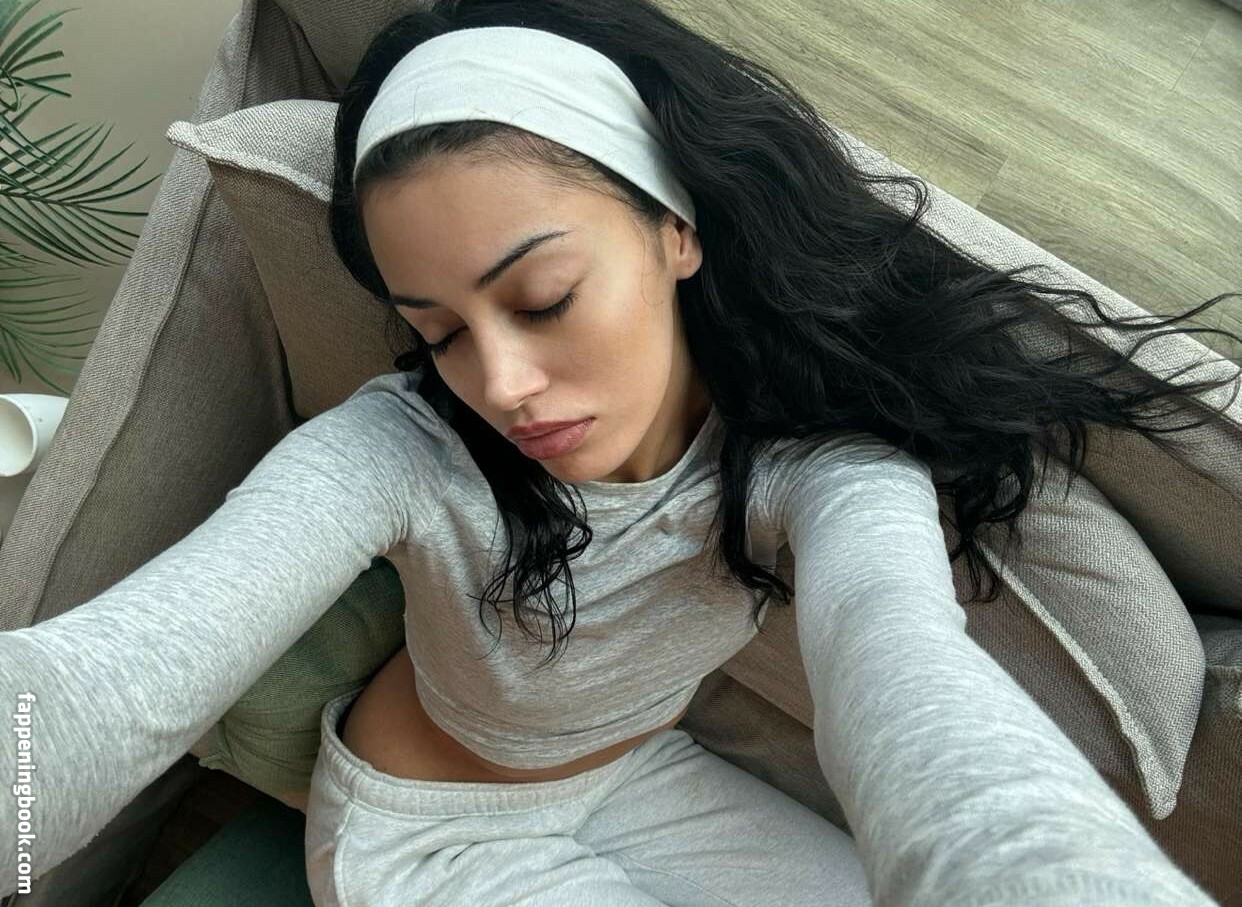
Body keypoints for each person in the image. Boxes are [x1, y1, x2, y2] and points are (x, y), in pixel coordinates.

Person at [3, 0, 1239, 904]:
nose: (500, 384)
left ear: (674, 227)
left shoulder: (821, 467)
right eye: (440, 333)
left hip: (644, 776)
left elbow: (906, 673)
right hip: (428, 835)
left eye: (542, 298)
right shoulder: (399, 450)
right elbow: (104, 687)